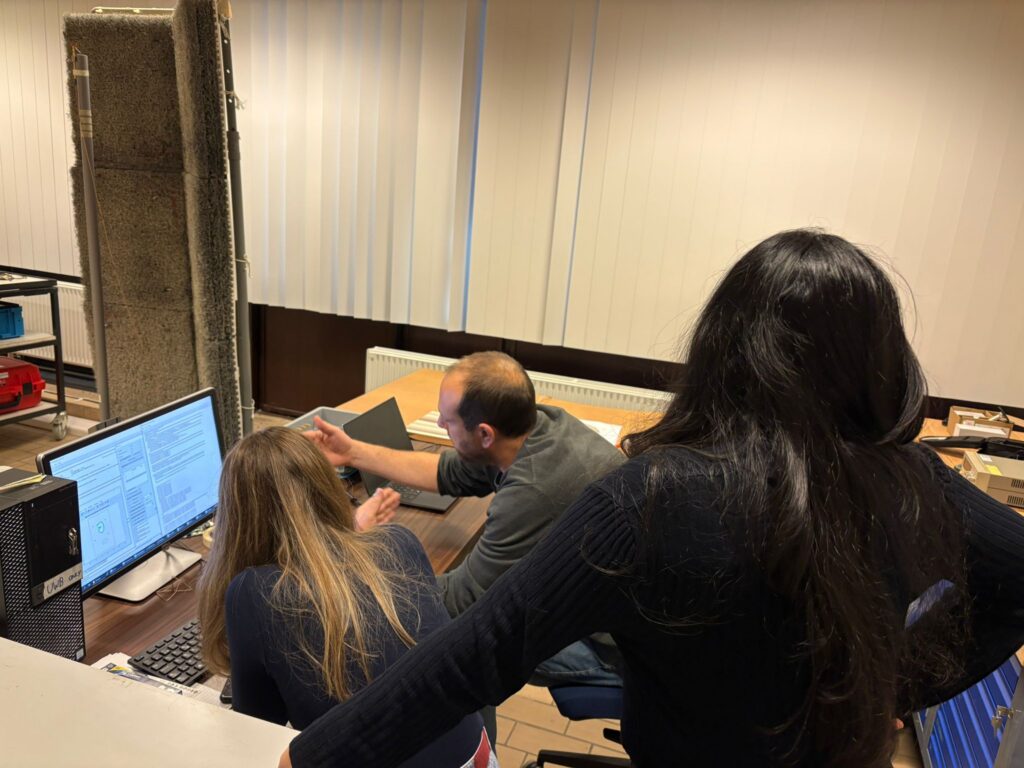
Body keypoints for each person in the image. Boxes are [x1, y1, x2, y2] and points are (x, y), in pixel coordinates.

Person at [279, 229, 1024, 767]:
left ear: (722, 350)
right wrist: (897, 684)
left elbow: (480, 651)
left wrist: (315, 756)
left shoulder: (651, 500)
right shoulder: (915, 481)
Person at [306, 350, 626, 686]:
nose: (440, 425)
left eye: (448, 420)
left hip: (612, 650)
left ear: (485, 434)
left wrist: (365, 556)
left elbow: (462, 600)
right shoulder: (539, 426)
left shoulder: (535, 488)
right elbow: (448, 472)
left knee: (465, 639)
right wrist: (352, 452)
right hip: (610, 607)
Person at [197, 427, 495, 768]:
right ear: (326, 487)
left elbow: (257, 728)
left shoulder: (251, 592)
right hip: (478, 754)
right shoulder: (399, 540)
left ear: (236, 518)